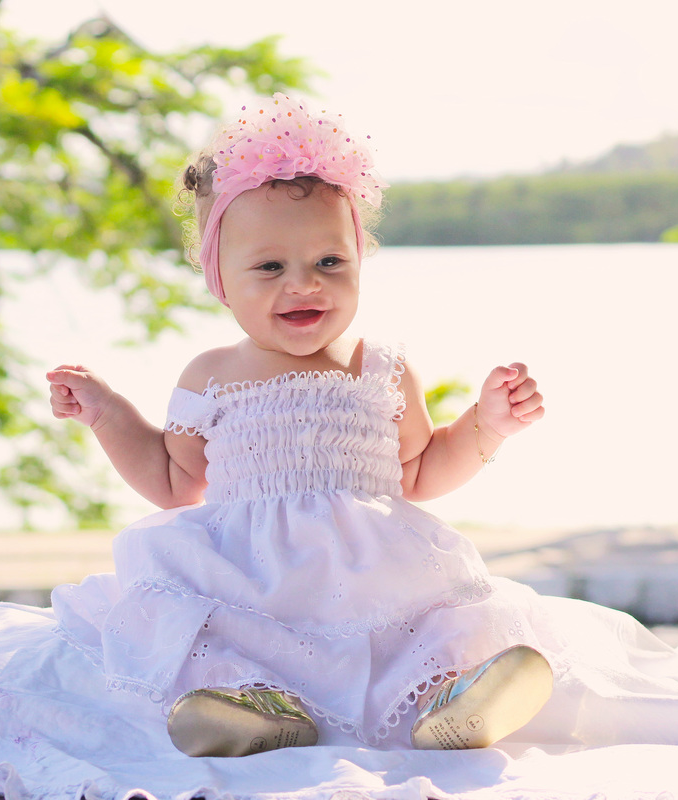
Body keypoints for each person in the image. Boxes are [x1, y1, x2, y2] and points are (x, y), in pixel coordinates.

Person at [45, 93, 553, 757]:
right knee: (203, 624)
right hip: (251, 576)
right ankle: (255, 706)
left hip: (370, 570)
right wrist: (109, 414)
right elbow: (174, 483)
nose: (304, 284)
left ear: (359, 259)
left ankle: (445, 698)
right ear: (219, 277)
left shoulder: (382, 367)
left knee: (425, 627)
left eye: (329, 262)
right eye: (269, 267)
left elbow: (422, 470)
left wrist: (487, 425)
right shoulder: (212, 374)